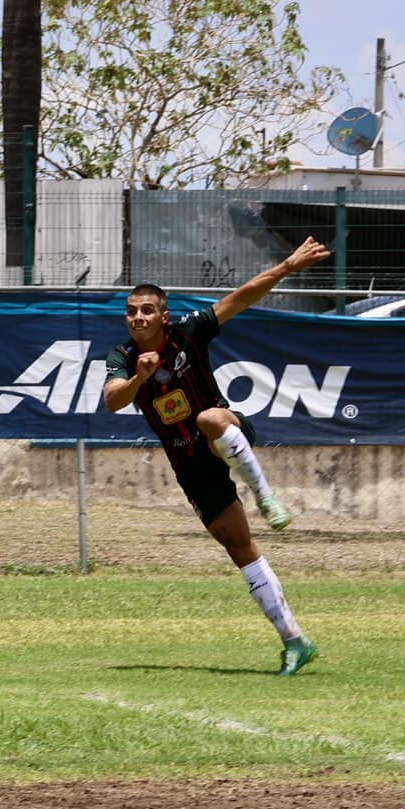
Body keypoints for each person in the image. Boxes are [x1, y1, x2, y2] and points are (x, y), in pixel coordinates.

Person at [103, 237, 330, 675]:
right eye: (131, 310)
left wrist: (285, 266)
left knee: (209, 418)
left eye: (146, 309)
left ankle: (265, 496)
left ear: (163, 316)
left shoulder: (188, 331)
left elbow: (239, 298)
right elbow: (113, 400)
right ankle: (295, 641)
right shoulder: (124, 357)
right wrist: (139, 378)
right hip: (189, 465)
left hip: (226, 430)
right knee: (239, 546)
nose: (137, 317)